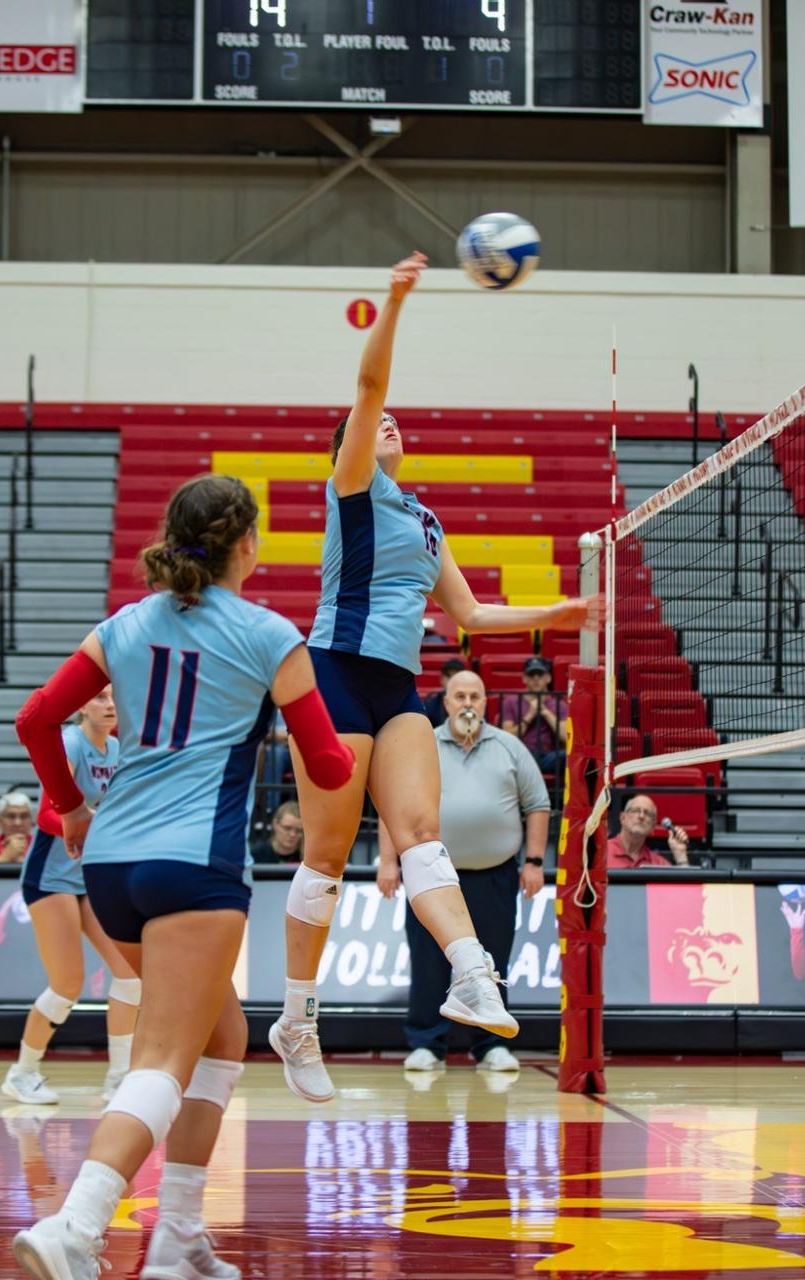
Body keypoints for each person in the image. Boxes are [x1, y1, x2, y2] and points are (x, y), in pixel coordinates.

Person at [8, 472, 356, 1280]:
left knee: (222, 1035)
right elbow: (333, 768)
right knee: (164, 1058)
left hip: (113, 868)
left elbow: (35, 718)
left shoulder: (127, 623)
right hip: (195, 865)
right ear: (248, 544)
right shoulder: (271, 635)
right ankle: (77, 1224)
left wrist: (68, 807)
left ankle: (180, 1238)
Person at [270, 252, 593, 1107]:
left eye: (391, 423)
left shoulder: (424, 516)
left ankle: (470, 973)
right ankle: (298, 1018)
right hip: (331, 673)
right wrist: (395, 298)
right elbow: (370, 380)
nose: (388, 426)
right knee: (330, 857)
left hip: (394, 686)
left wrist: (556, 615)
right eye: (375, 423)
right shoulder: (351, 487)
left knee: (420, 832)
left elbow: (473, 620)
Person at [3, 683, 144, 1109]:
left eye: (115, 697)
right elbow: (46, 814)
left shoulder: (118, 748)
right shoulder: (70, 742)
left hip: (89, 876)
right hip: (50, 878)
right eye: (100, 697)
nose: (109, 705)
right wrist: (95, 821)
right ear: (82, 703)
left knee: (131, 976)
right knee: (66, 986)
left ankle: (119, 1079)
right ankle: (22, 1072)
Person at [403, 669, 550, 1075]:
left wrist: (534, 862)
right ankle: (427, 1044)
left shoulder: (510, 747)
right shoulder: (423, 746)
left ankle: (489, 1046)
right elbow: (395, 806)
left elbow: (537, 804)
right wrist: (387, 861)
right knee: (428, 959)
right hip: (431, 875)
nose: (467, 703)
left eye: (475, 696)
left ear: (486, 703)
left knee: (494, 960)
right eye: (459, 696)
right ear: (446, 702)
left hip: (495, 874)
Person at [498, 657, 567, 782]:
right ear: (524, 678)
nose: (535, 678)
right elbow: (507, 737)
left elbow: (565, 736)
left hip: (549, 757)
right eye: (531, 674)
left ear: (548, 678)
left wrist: (546, 713)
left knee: (567, 757)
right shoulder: (510, 702)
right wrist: (529, 715)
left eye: (540, 674)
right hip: (521, 755)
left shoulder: (559, 704)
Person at [605, 796, 692, 868]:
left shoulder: (658, 864)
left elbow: (687, 888)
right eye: (636, 810)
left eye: (648, 814)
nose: (641, 816)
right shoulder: (601, 852)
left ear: (653, 826)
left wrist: (680, 855)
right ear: (622, 818)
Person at [251, 800, 305, 864]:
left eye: (299, 830)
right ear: (275, 823)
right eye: (287, 828)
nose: (292, 834)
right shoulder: (257, 853)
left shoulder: (307, 857)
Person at [421, 657, 467, 727]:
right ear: (441, 679)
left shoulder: (474, 704)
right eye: (448, 676)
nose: (452, 680)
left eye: (457, 676)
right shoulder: (430, 705)